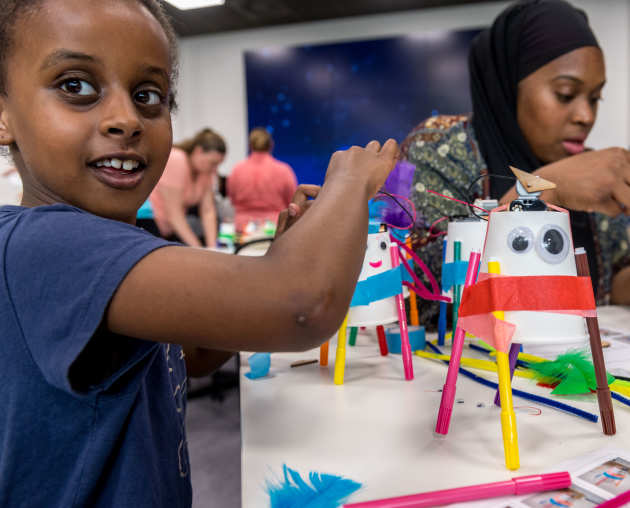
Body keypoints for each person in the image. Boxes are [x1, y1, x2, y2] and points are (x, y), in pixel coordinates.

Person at [0, 0, 398, 506]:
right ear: (3, 114)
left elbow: (199, 353)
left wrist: (279, 252)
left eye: (149, 95)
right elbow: (303, 306)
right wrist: (351, 181)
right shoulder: (44, 246)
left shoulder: (114, 250)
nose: (127, 119)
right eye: (75, 86)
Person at [401, 0, 630, 328]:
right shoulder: (437, 150)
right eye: (565, 94)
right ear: (508, 86)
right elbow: (424, 293)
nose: (587, 116)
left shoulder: (594, 172)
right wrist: (545, 189)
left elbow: (611, 278)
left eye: (595, 98)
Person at [149, 128, 226, 247]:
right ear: (198, 151)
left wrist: (212, 248)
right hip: (150, 225)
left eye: (218, 164)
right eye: (213, 163)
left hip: (170, 229)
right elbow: (174, 214)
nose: (215, 169)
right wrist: (199, 250)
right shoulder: (177, 159)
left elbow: (208, 211)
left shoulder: (206, 172)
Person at [227, 127, 298, 235]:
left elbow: (233, 199)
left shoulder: (237, 170)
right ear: (271, 145)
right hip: (274, 229)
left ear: (250, 145)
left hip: (243, 230)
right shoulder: (283, 170)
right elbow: (293, 201)